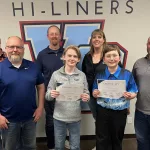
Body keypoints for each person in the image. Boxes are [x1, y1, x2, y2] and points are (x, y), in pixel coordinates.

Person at [0, 36, 45, 150]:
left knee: (30, 147)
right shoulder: (0, 68)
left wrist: (40, 107)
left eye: (18, 47)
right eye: (11, 47)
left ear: (23, 49)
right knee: (9, 148)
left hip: (30, 119)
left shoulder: (33, 66)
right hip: (8, 121)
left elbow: (41, 86)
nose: (15, 50)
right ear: (6, 48)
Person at [92, 45, 137, 150]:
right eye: (108, 56)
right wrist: (95, 93)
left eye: (114, 55)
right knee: (101, 139)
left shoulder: (127, 74)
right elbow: (94, 90)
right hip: (102, 111)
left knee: (117, 139)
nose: (111, 58)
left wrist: (131, 95)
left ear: (119, 58)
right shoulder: (99, 74)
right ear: (104, 59)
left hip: (120, 112)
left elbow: (134, 90)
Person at [45, 45, 90, 150]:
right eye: (69, 55)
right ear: (63, 57)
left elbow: (86, 93)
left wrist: (86, 97)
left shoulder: (82, 75)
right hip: (59, 117)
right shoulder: (56, 74)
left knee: (75, 146)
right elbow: (47, 96)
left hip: (75, 117)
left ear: (78, 59)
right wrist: (51, 94)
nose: (72, 58)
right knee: (59, 146)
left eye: (75, 56)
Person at [36, 25, 65, 150]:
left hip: (66, 95)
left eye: (56, 33)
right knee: (50, 122)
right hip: (50, 95)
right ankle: (52, 146)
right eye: (51, 34)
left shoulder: (66, 53)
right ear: (48, 36)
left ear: (60, 36)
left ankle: (62, 142)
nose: (54, 36)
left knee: (64, 121)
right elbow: (37, 77)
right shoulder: (42, 55)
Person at [132, 37, 150, 150]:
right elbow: (132, 85)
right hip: (140, 112)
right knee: (142, 142)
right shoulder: (138, 63)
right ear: (147, 45)